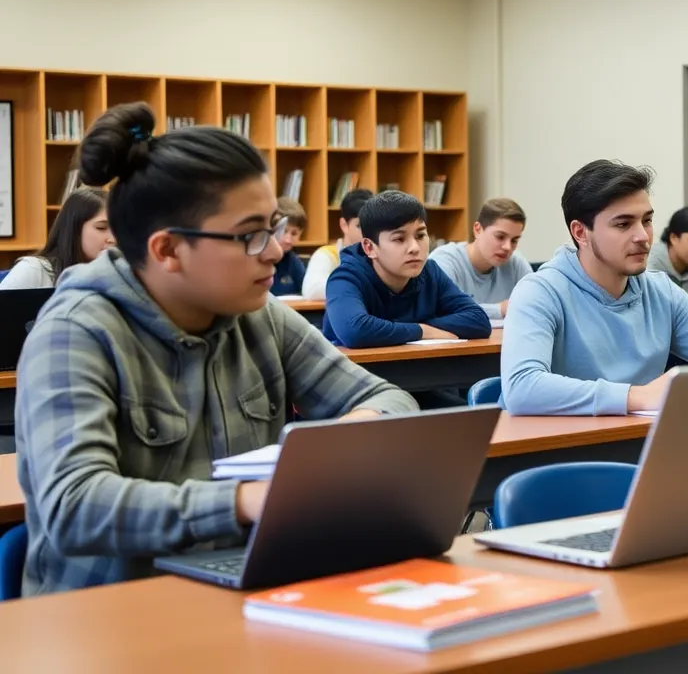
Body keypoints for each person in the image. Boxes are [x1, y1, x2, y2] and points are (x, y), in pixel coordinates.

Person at [15, 103, 419, 597]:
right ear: (166, 250)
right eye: (250, 235)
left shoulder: (258, 313)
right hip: (112, 617)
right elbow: (75, 506)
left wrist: (337, 443)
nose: (275, 250)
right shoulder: (75, 332)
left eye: (272, 227)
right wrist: (244, 501)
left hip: (249, 589)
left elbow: (391, 399)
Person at [501, 160, 688, 416]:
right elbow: (522, 387)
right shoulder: (539, 292)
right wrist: (636, 396)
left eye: (647, 221)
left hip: (641, 443)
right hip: (560, 453)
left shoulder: (661, 291)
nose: (643, 236)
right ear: (581, 233)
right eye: (623, 224)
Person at [321, 190, 491, 349]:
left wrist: (403, 327)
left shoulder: (430, 271)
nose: (415, 248)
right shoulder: (345, 278)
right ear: (369, 248)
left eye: (420, 235)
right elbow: (355, 331)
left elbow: (478, 320)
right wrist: (424, 331)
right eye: (399, 239)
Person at [429, 198, 532, 321]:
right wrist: (500, 310)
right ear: (477, 229)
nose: (507, 247)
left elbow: (536, 303)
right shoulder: (444, 261)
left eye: (514, 240)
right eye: (500, 237)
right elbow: (442, 310)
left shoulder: (516, 263)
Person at [0, 188, 114, 289]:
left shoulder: (114, 274)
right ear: (74, 229)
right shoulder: (34, 270)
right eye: (101, 228)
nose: (113, 239)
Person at [301, 188, 372, 300]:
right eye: (360, 226)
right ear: (344, 225)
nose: (368, 232)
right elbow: (312, 291)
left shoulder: (381, 254)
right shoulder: (326, 255)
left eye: (373, 225)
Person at [270, 197, 306, 296]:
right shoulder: (256, 260)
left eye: (294, 234)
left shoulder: (294, 262)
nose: (288, 239)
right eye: (283, 231)